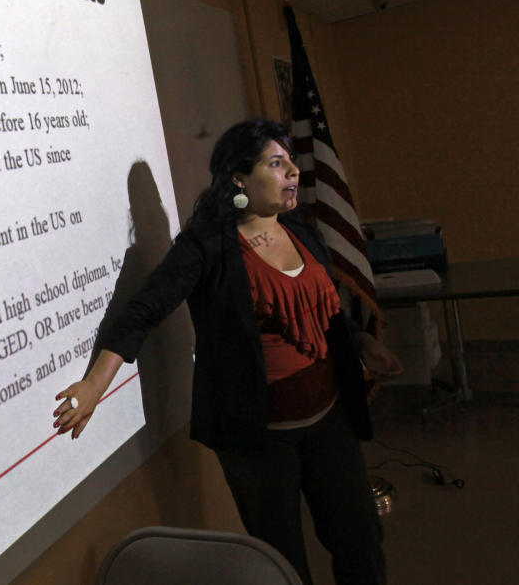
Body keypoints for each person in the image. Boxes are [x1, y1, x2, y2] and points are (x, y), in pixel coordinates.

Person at [53, 119, 403, 585]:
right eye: (277, 165)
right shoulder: (206, 244)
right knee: (281, 563)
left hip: (330, 419)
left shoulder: (302, 229)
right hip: (257, 438)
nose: (292, 174)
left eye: (291, 164)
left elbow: (325, 308)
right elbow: (140, 313)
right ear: (239, 177)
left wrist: (362, 342)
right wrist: (95, 383)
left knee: (360, 544)